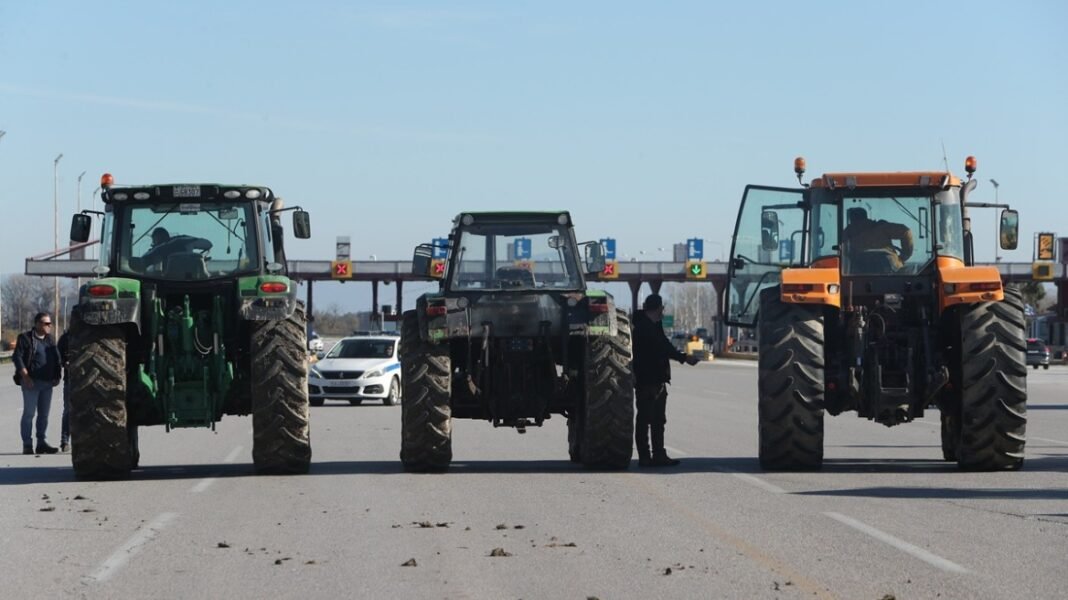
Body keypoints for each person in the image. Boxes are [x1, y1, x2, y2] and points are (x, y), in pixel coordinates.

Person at [631, 294, 700, 467]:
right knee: (645, 419)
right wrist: (683, 358)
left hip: (658, 379)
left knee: (658, 419)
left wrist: (682, 357)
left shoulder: (654, 325)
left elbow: (665, 345)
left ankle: (659, 454)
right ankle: (645, 457)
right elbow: (661, 347)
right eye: (662, 308)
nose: (663, 311)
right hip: (647, 380)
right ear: (658, 308)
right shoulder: (643, 327)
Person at [12, 312, 62, 455]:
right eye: (46, 323)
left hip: (47, 384)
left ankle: (41, 443)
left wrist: (57, 375)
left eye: (50, 323)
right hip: (31, 383)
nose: (49, 326)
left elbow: (57, 358)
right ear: (38, 324)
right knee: (29, 413)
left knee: (44, 415)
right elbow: (18, 358)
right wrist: (26, 377)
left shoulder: (50, 340)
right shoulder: (26, 338)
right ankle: (27, 444)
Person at [841, 207, 914, 272]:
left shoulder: (847, 232)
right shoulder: (881, 227)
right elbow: (905, 231)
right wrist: (905, 255)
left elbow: (843, 251)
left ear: (851, 219)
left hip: (860, 268)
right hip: (889, 264)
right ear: (865, 216)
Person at [58, 329, 71, 453]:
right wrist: (64, 363)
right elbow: (58, 357)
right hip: (71, 380)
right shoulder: (66, 338)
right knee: (68, 411)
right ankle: (65, 441)